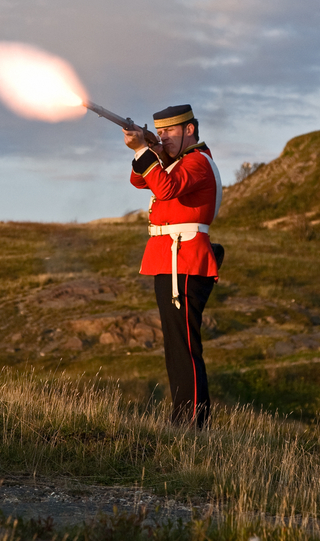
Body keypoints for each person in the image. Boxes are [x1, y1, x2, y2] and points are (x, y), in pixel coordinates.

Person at [123, 104, 222, 428]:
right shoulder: (178, 161)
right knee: (176, 346)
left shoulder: (197, 162)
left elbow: (165, 187)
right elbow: (140, 180)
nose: (163, 138)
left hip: (186, 261)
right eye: (159, 132)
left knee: (184, 347)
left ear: (189, 130)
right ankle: (185, 419)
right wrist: (148, 151)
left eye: (168, 132)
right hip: (171, 259)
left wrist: (143, 149)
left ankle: (191, 422)